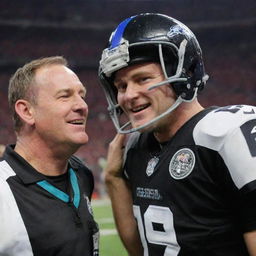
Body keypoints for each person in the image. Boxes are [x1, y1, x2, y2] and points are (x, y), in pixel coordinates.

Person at [98, 13, 256, 256]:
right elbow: (142, 250)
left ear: (185, 74)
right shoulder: (136, 148)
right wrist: (113, 178)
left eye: (142, 79)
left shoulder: (228, 135)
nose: (128, 95)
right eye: (121, 86)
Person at [0, 56, 99, 256]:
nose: (82, 106)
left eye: (82, 95)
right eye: (65, 96)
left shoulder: (81, 174)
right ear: (27, 111)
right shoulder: (3, 192)